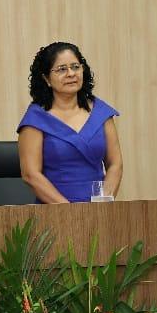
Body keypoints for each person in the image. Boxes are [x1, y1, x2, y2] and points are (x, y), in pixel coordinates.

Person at [17, 41, 123, 203]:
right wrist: (69, 212)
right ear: (46, 78)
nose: (71, 74)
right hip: (55, 211)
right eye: (61, 69)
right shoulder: (36, 119)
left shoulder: (101, 113)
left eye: (75, 67)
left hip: (99, 210)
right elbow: (31, 175)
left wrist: (104, 203)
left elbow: (115, 164)